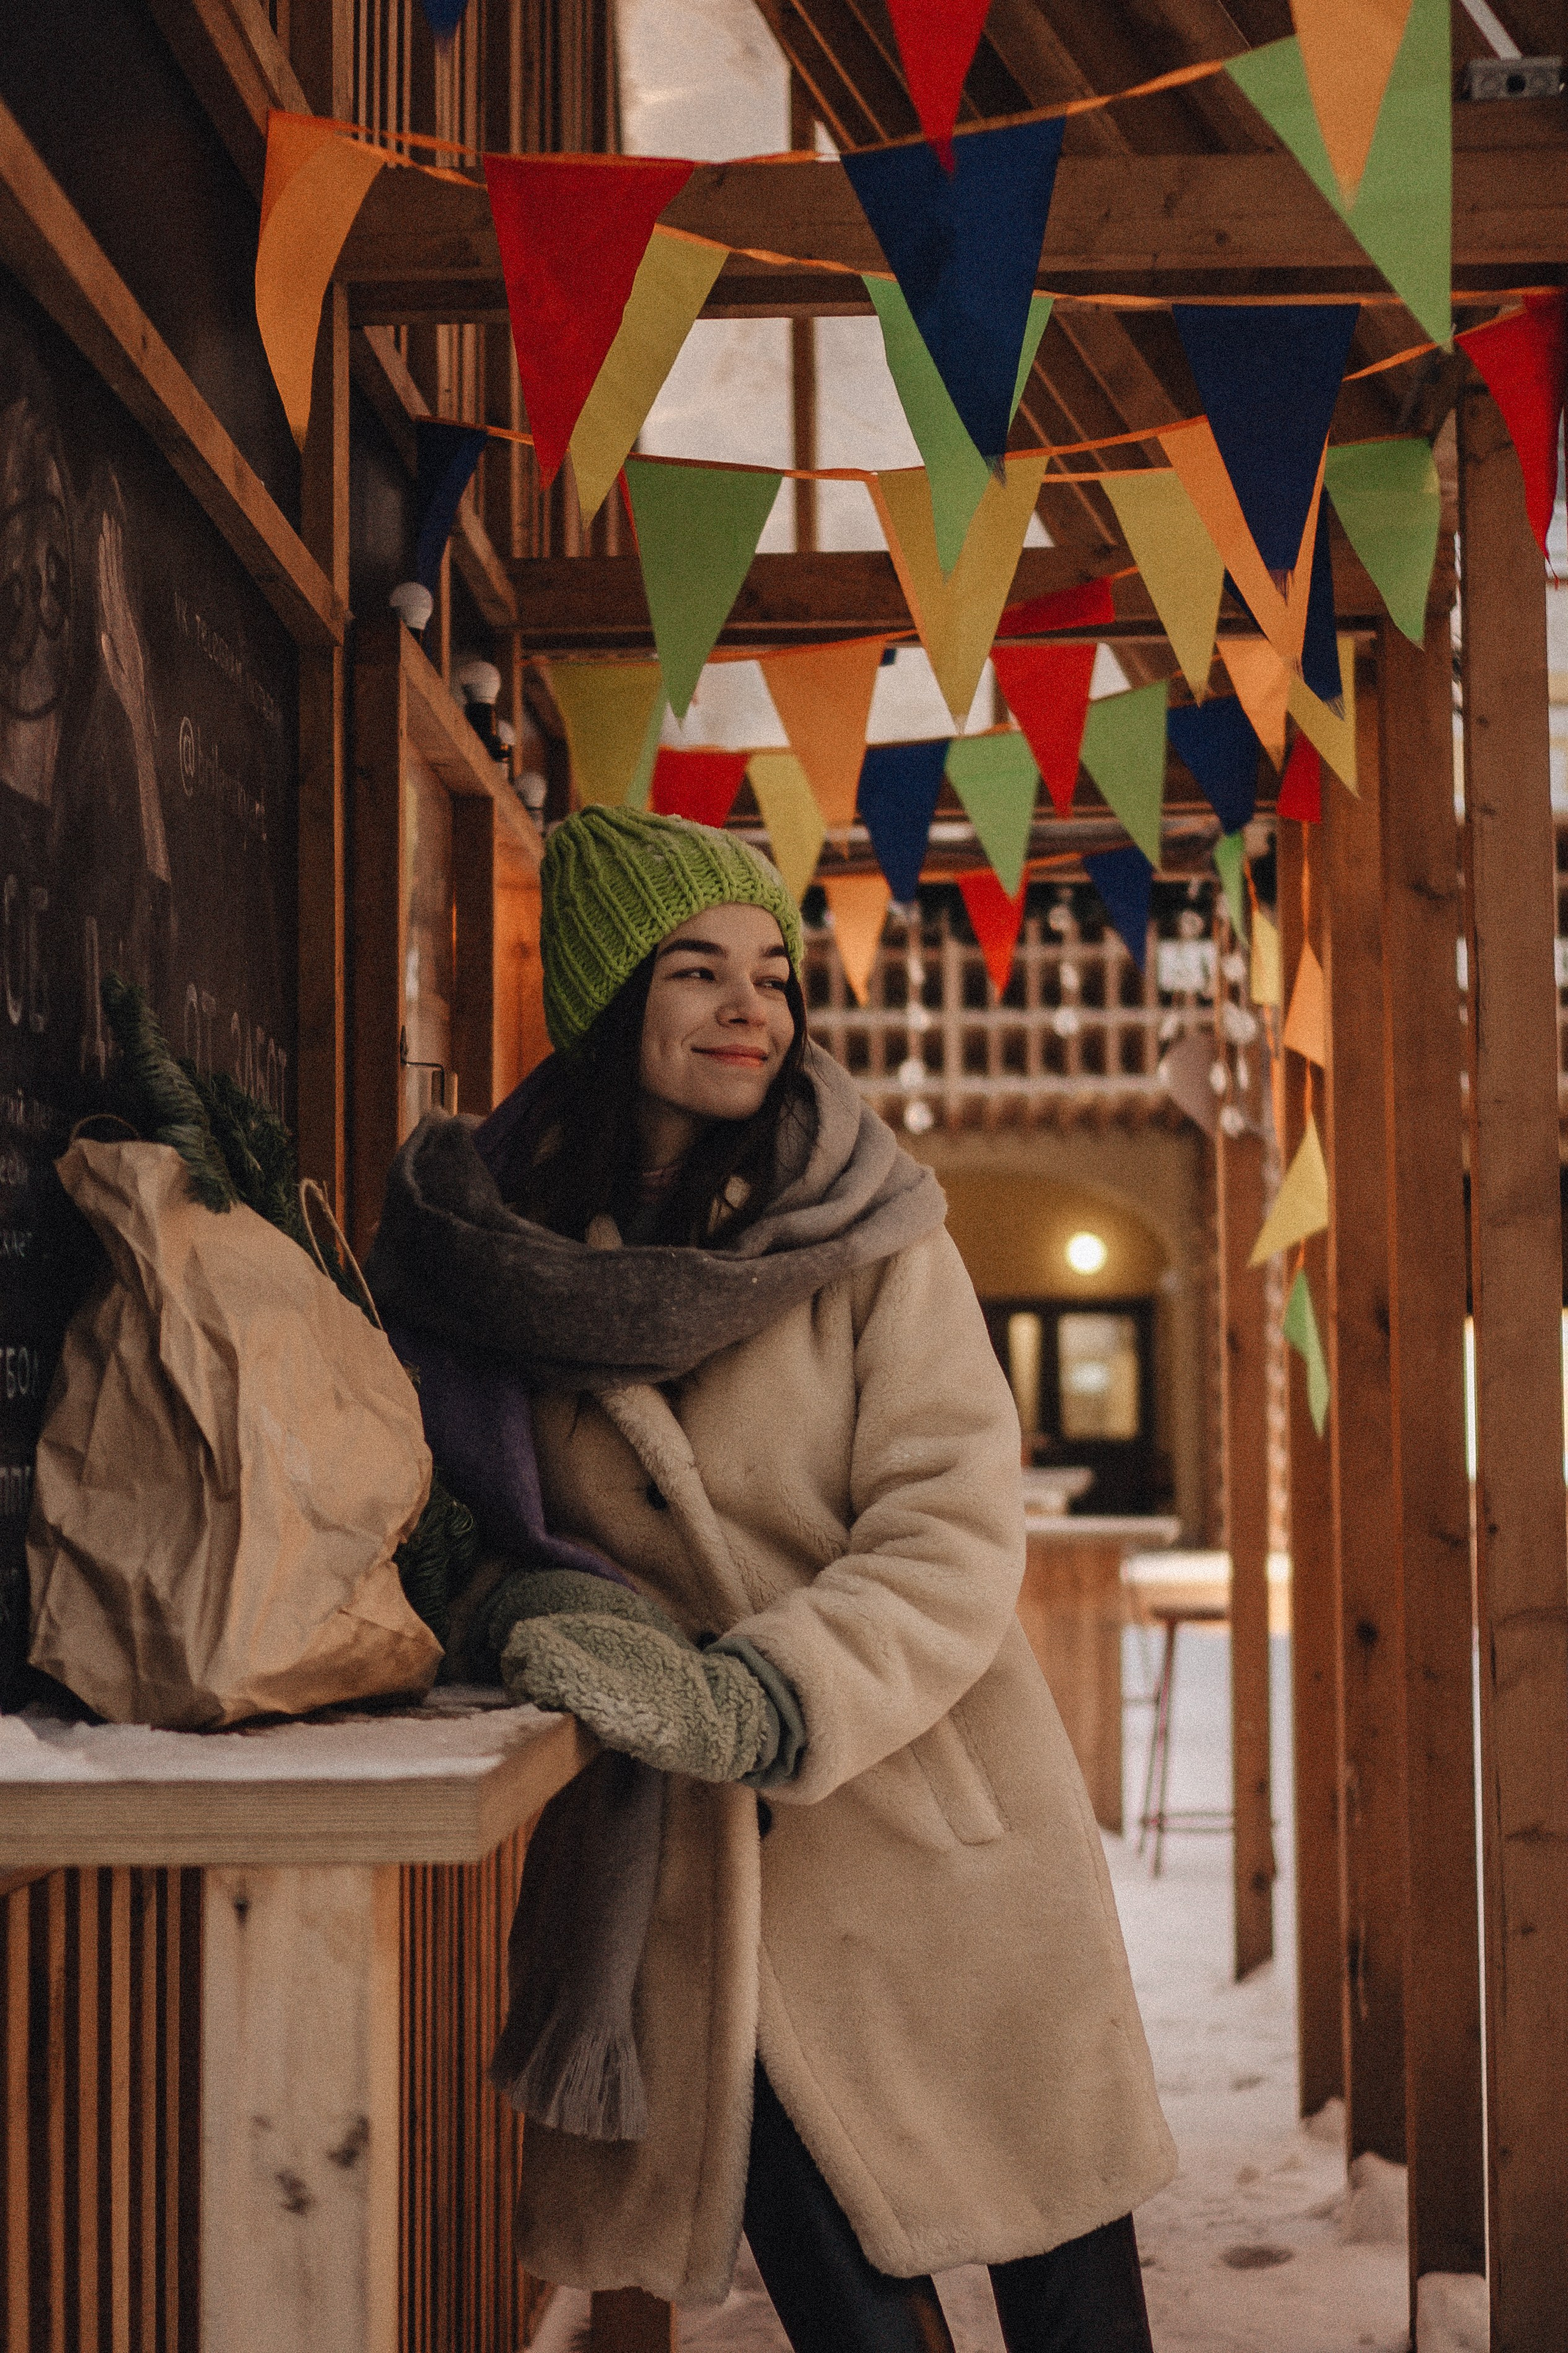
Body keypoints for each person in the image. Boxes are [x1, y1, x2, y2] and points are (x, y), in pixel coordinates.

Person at [369, 806, 1175, 2353]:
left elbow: (951, 1528)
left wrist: (765, 1696)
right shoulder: (486, 1254)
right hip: (695, 1890)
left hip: (925, 1821)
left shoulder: (876, 1232)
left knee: (1077, 2316)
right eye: (698, 970)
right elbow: (434, 1512)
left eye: (773, 974)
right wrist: (528, 1612)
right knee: (857, 2322)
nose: (753, 1007)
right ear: (614, 1001)